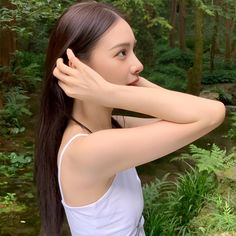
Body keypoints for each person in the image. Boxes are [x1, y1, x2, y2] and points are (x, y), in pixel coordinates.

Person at [34, 1, 226, 236]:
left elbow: (190, 115)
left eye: (133, 50)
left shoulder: (111, 126)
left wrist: (120, 88)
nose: (138, 64)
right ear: (77, 66)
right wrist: (110, 92)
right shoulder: (87, 149)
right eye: (122, 53)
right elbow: (211, 114)